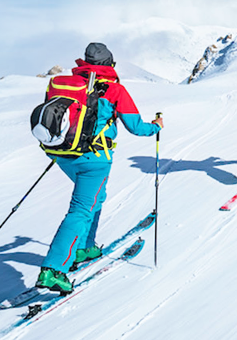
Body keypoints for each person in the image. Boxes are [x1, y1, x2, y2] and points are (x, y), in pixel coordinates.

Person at [35, 42, 163, 295]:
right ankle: (53, 269)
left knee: (96, 197)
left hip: (61, 154)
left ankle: (84, 247)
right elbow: (136, 127)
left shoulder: (64, 85)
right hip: (95, 158)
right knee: (81, 209)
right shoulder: (114, 89)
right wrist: (156, 126)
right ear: (110, 64)